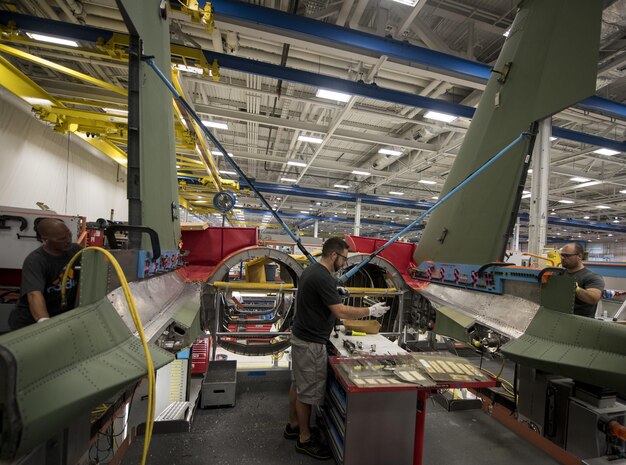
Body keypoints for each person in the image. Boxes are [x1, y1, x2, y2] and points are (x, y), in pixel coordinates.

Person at [285, 237, 390, 460]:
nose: (345, 261)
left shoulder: (312, 271)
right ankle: (304, 439)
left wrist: (335, 292)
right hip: (311, 343)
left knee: (298, 384)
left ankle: (293, 425)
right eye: (344, 257)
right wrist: (370, 312)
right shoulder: (323, 278)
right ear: (334, 255)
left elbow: (321, 299)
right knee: (307, 393)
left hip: (301, 338)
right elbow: (341, 312)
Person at [8, 218, 83, 330]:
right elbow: (34, 295)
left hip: (59, 317)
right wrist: (45, 324)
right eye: (61, 239)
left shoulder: (76, 251)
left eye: (69, 235)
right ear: (45, 239)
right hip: (30, 322)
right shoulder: (35, 261)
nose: (68, 240)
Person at [560, 242, 605, 318]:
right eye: (561, 255)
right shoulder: (560, 274)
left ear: (580, 256)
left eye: (567, 255)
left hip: (580, 322)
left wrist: (576, 289)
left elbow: (594, 298)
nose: (563, 258)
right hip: (560, 318)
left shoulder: (592, 277)